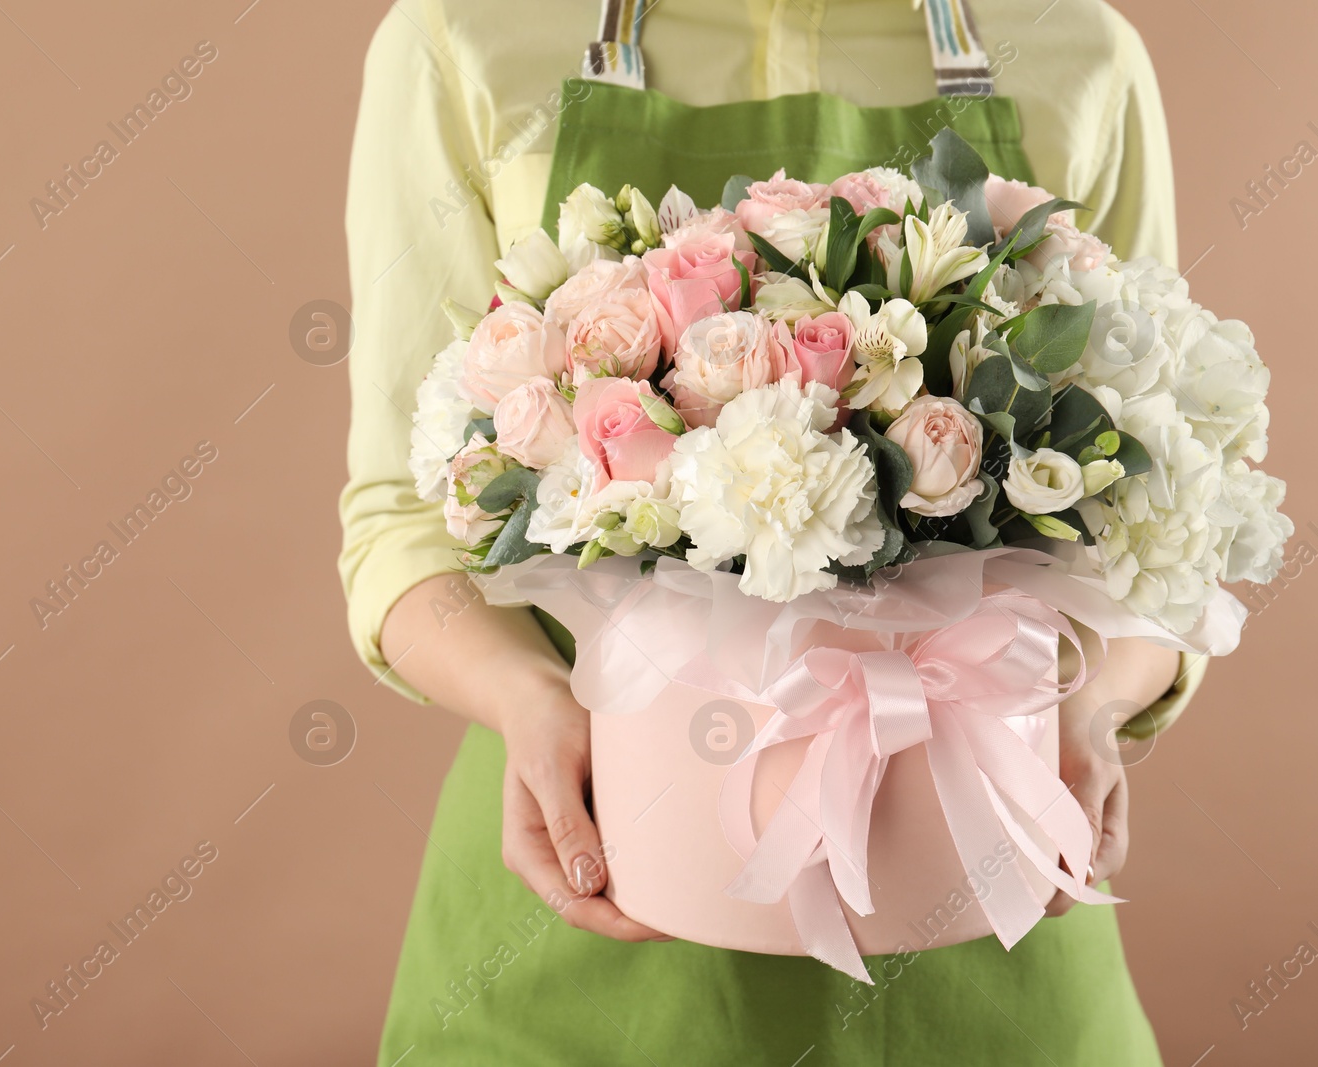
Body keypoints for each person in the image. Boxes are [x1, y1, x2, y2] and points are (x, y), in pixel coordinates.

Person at [339, 0, 1205, 1061]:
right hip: (601, 880)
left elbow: (1164, 503)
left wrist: (1097, 705)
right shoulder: (462, 38)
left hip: (980, 897)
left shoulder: (1079, 50)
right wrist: (525, 702)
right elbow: (401, 513)